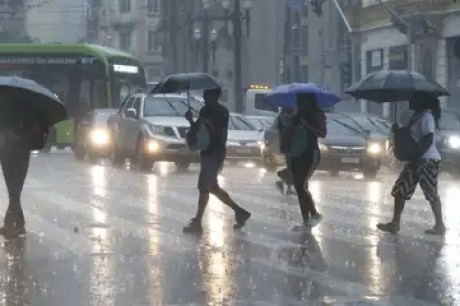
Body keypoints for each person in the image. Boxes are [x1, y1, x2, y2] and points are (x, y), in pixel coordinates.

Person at [183, 88, 251, 233]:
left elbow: (219, 134)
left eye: (210, 98)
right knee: (211, 187)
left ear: (216, 97)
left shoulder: (222, 112)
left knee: (204, 187)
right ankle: (239, 212)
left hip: (216, 152)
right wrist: (191, 121)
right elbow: (198, 129)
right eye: (206, 98)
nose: (207, 101)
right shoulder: (204, 110)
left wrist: (207, 123)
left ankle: (198, 221)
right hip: (206, 151)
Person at [377, 94, 446, 235]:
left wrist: (417, 155)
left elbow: (428, 138)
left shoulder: (427, 116)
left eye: (413, 99)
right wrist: (398, 130)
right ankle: (395, 223)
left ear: (421, 101)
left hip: (427, 160)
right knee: (400, 190)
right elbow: (410, 136)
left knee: (431, 193)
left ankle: (440, 226)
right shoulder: (417, 116)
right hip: (415, 160)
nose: (410, 101)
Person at [0, 97, 49, 239]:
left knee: (14, 191)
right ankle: (19, 224)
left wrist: (15, 135)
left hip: (16, 153)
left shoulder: (26, 110)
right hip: (10, 153)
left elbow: (33, 131)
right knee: (13, 191)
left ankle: (9, 225)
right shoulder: (25, 106)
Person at [288, 93, 326, 230]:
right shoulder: (298, 113)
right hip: (296, 152)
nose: (299, 103)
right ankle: (306, 220)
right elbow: (290, 130)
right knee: (299, 187)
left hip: (310, 153)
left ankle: (314, 213)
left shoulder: (318, 114)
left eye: (301, 100)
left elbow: (322, 133)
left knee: (301, 184)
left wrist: (307, 125)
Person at [275, 107, 295, 195]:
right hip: (289, 145)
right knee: (293, 167)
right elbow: (286, 130)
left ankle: (288, 186)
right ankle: (281, 179)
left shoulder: (286, 117)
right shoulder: (284, 118)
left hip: (293, 145)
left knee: (294, 167)